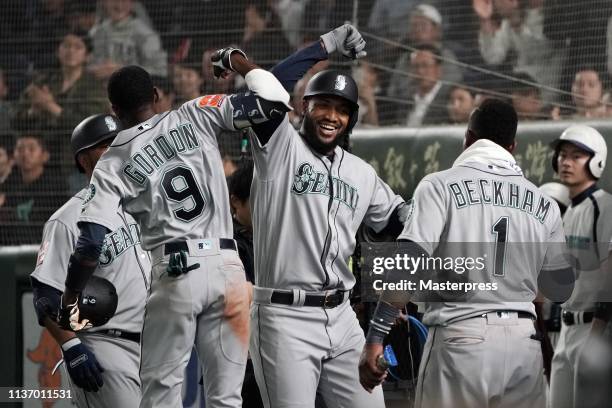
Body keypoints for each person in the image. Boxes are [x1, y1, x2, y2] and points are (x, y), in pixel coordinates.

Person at [56, 52, 293, 407]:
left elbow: (90, 242)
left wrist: (71, 297)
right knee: (226, 398)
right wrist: (238, 62)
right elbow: (275, 103)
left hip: (176, 270)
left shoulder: (113, 161)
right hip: (229, 270)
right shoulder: (196, 112)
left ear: (114, 111)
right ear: (155, 95)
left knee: (160, 396)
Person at [360, 99, 574, 408]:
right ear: (512, 147)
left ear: (468, 138)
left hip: (461, 338)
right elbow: (560, 288)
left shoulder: (440, 185)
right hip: (523, 344)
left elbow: (409, 263)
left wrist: (376, 335)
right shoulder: (545, 203)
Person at [236, 26, 404, 407]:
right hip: (284, 316)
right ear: (303, 107)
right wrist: (324, 46)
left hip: (343, 318)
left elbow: (400, 223)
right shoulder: (280, 147)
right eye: (323, 105)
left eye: (342, 109)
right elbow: (269, 86)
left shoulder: (361, 173)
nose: (332, 116)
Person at [30, 113, 150, 407]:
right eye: (104, 145)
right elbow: (46, 296)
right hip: (106, 345)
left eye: (117, 143)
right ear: (84, 160)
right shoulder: (67, 219)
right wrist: (71, 346)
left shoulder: (143, 205)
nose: (115, 150)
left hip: (155, 347)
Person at [549, 125, 612, 408]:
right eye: (562, 154)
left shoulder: (605, 207)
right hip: (566, 327)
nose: (566, 161)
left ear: (596, 161)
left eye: (577, 155)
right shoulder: (568, 209)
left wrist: (596, 335)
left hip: (592, 329)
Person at [227, 160, 264, 408]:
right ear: (235, 202)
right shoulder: (226, 242)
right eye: (257, 201)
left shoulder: (276, 236)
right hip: (241, 355)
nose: (266, 208)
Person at [0, 131, 66, 244]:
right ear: (14, 156)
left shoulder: (55, 186)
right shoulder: (9, 184)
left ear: (45, 156)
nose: (25, 154)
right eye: (20, 149)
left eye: (31, 149)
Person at [89, 0, 168, 79]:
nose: (119, 5)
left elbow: (160, 71)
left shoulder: (144, 33)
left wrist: (122, 70)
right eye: (114, 0)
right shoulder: (100, 31)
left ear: (132, 4)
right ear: (104, 2)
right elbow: (94, 63)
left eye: (124, 1)